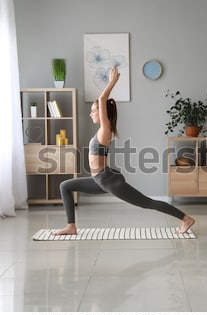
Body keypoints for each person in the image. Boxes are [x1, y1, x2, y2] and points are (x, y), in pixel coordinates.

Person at [54, 66, 195, 235]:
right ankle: (71, 226)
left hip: (108, 181)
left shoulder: (105, 130)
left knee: (147, 203)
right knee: (65, 186)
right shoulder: (100, 131)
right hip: (99, 180)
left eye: (93, 111)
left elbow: (102, 98)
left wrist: (112, 82)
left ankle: (186, 219)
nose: (91, 114)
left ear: (102, 113)